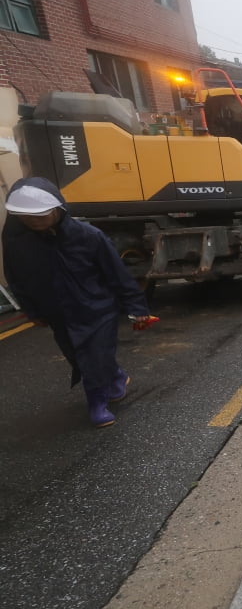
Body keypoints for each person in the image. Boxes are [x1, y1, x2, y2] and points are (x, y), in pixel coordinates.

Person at [2, 177, 152, 427]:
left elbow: (117, 273)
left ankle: (97, 403)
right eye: (27, 216)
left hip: (97, 309)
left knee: (94, 356)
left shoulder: (88, 236)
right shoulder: (18, 243)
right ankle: (115, 375)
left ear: (58, 210)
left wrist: (137, 307)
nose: (34, 221)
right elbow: (16, 278)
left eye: (41, 215)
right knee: (77, 355)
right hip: (57, 312)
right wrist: (32, 310)